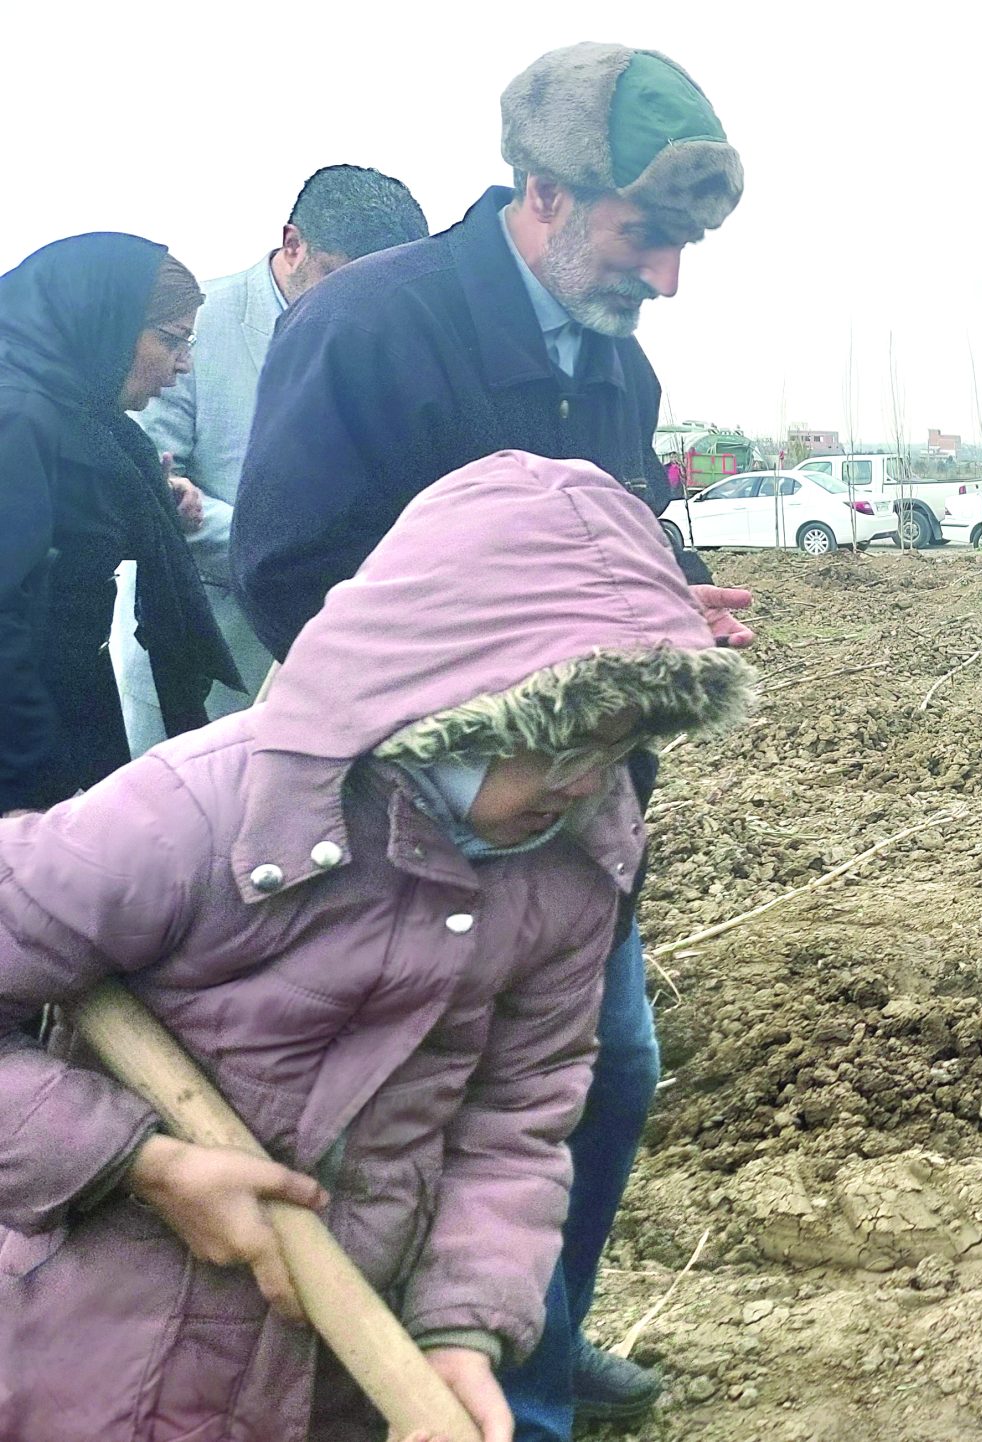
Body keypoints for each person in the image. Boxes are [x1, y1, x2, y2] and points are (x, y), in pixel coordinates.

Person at [0, 451, 754, 1442]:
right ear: (451, 700)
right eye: (564, 742)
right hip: (97, 1358)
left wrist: (461, 1333)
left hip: (341, 1367)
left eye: (620, 750)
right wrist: (138, 1161)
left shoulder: (574, 867)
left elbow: (517, 1120)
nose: (589, 782)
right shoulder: (197, 813)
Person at [231, 42, 750, 1437]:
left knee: (608, 1078)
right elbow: (288, 571)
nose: (670, 276)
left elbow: (596, 543)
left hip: (574, 819)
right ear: (546, 193)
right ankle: (492, 1390)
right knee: (455, 1114)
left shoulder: (613, 362)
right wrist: (479, 725)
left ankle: (537, 1322)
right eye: (653, 235)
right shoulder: (374, 331)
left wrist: (659, 600)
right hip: (414, 822)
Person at [115, 164, 430, 747]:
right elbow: (150, 487)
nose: (362, 301)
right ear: (293, 244)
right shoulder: (191, 331)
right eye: (340, 277)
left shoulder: (404, 336)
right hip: (209, 658)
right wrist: (298, 553)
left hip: (352, 669)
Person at [0, 233, 237, 816]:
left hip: (65, 712)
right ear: (104, 324)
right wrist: (37, 787)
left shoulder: (77, 411)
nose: (183, 363)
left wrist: (151, 500)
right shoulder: (19, 418)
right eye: (172, 340)